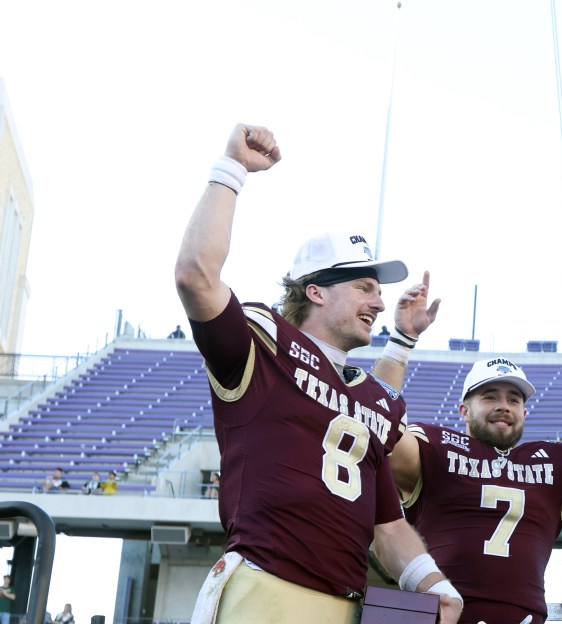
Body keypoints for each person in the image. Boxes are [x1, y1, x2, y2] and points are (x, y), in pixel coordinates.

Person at [176, 124, 460, 624]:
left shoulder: (374, 399)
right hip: (267, 586)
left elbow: (388, 526)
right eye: (365, 286)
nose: (378, 300)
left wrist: (434, 585)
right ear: (315, 291)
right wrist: (232, 169)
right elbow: (196, 276)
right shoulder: (264, 346)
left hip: (349, 604)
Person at [385, 309, 562, 624]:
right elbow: (382, 430)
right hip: (437, 616)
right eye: (490, 396)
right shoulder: (435, 448)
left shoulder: (555, 463)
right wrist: (402, 342)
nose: (504, 405)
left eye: (514, 399)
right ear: (464, 410)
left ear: (525, 413)